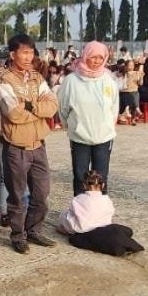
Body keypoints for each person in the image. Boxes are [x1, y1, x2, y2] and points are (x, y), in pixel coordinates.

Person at [0, 33, 58, 254]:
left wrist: (29, 106)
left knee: (42, 193)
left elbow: (52, 106)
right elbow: (13, 114)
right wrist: (36, 109)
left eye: (31, 52)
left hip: (38, 145)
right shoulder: (3, 80)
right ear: (13, 54)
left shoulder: (37, 78)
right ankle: (18, 235)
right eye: (24, 52)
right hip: (16, 148)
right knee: (17, 195)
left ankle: (34, 229)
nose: (28, 56)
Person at [56, 41, 119, 195]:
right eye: (93, 57)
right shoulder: (71, 81)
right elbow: (62, 107)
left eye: (100, 58)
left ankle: (100, 212)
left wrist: (109, 125)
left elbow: (114, 107)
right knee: (80, 176)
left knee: (101, 176)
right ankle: (80, 211)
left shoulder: (108, 80)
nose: (97, 61)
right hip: (79, 137)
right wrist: (71, 126)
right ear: (85, 56)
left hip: (103, 137)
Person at [58, 170, 143, 257]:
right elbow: (110, 213)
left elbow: (72, 219)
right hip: (104, 226)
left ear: (84, 185)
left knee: (65, 216)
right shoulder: (106, 199)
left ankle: (65, 229)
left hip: (84, 230)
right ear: (102, 185)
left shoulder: (78, 199)